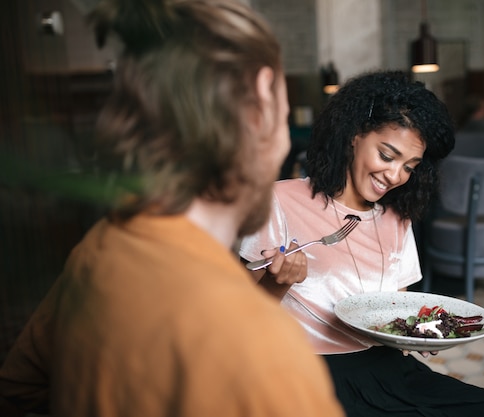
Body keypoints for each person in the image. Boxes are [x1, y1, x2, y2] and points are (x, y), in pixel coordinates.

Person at [0, 1, 345, 416]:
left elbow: (18, 388)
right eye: (285, 116)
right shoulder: (268, 353)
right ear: (259, 103)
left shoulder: (97, 250)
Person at [239, 70, 484, 417]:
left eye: (409, 166)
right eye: (387, 155)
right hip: (306, 371)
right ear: (354, 136)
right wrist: (277, 283)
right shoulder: (279, 200)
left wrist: (417, 335)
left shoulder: (397, 218)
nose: (396, 176)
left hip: (389, 370)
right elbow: (241, 322)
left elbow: (396, 309)